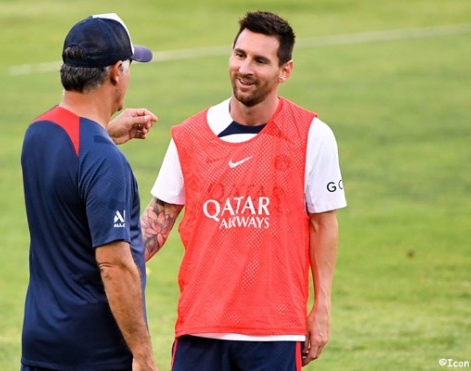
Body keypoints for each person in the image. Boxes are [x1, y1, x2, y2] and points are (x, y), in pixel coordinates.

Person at [140, 10, 347, 371]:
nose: (245, 68)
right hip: (201, 328)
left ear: (286, 70)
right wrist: (110, 267)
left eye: (260, 60)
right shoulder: (189, 137)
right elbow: (158, 221)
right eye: (240, 55)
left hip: (276, 331)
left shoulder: (312, 135)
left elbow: (323, 224)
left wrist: (322, 306)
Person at [20, 13, 159, 371]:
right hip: (95, 353)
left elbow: (71, 167)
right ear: (116, 72)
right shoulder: (103, 160)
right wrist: (143, 355)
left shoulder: (37, 134)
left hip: (41, 343)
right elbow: (114, 265)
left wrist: (106, 135)